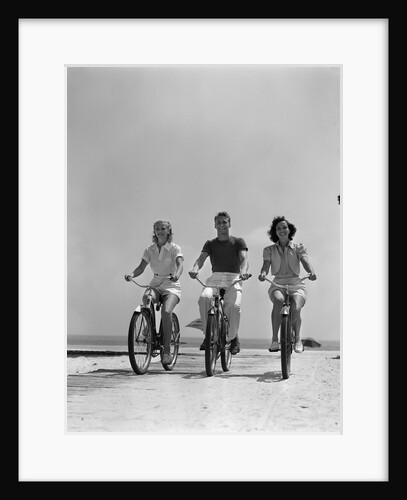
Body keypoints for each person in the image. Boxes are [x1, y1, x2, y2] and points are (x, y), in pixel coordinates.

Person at [188, 211, 250, 355]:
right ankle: (209, 335)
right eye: (218, 223)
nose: (221, 225)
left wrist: (244, 271)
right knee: (204, 298)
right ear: (215, 225)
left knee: (233, 307)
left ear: (229, 224)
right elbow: (201, 259)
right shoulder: (210, 244)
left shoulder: (238, 241)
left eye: (224, 222)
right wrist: (195, 269)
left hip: (234, 277)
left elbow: (244, 259)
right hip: (215, 278)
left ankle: (233, 338)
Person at [125, 220, 184, 365]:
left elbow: (180, 264)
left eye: (163, 228)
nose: (160, 231)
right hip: (156, 283)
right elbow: (141, 267)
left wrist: (177, 273)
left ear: (169, 230)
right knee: (146, 297)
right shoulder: (150, 249)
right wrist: (132, 274)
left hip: (172, 285)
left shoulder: (175, 248)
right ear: (154, 231)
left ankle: (167, 351)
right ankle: (147, 327)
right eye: (157, 229)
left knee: (166, 311)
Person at [258, 216, 317, 353]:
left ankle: (297, 339)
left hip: (296, 283)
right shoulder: (269, 250)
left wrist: (311, 272)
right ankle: (274, 340)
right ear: (275, 232)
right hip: (277, 283)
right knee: (278, 301)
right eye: (278, 228)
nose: (282, 230)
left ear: (289, 230)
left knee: (296, 307)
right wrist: (263, 273)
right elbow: (266, 265)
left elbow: (305, 261)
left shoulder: (298, 248)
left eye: (284, 227)